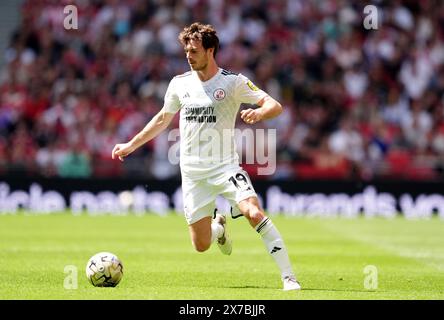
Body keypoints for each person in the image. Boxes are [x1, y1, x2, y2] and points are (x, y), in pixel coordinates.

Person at [111, 22, 300, 291]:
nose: (189, 56)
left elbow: (274, 105)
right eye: (186, 50)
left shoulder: (232, 82)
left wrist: (259, 113)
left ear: (210, 51)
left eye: (195, 50)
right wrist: (132, 144)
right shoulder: (179, 84)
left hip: (225, 167)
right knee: (201, 245)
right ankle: (219, 229)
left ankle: (289, 277)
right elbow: (163, 118)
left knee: (253, 212)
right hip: (192, 173)